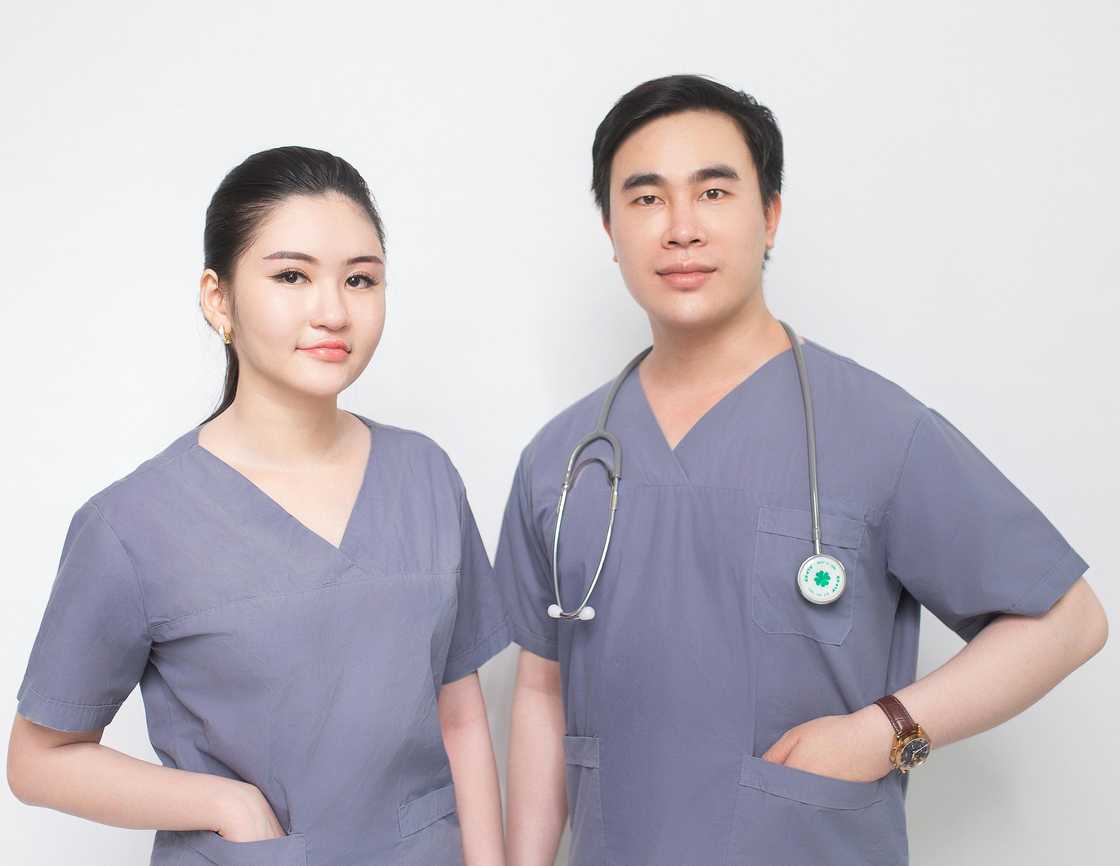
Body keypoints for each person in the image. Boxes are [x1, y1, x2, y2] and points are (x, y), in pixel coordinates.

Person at [496, 75, 1108, 865]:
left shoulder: (880, 431)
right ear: (611, 230)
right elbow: (542, 694)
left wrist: (884, 735)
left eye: (713, 191)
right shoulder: (563, 458)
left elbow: (1070, 622)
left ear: (770, 215)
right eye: (645, 199)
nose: (680, 229)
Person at [8, 146, 510, 866]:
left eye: (360, 279)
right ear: (219, 299)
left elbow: (460, 717)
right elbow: (36, 760)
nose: (333, 310)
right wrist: (224, 804)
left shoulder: (424, 476)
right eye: (291, 276)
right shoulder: (133, 525)